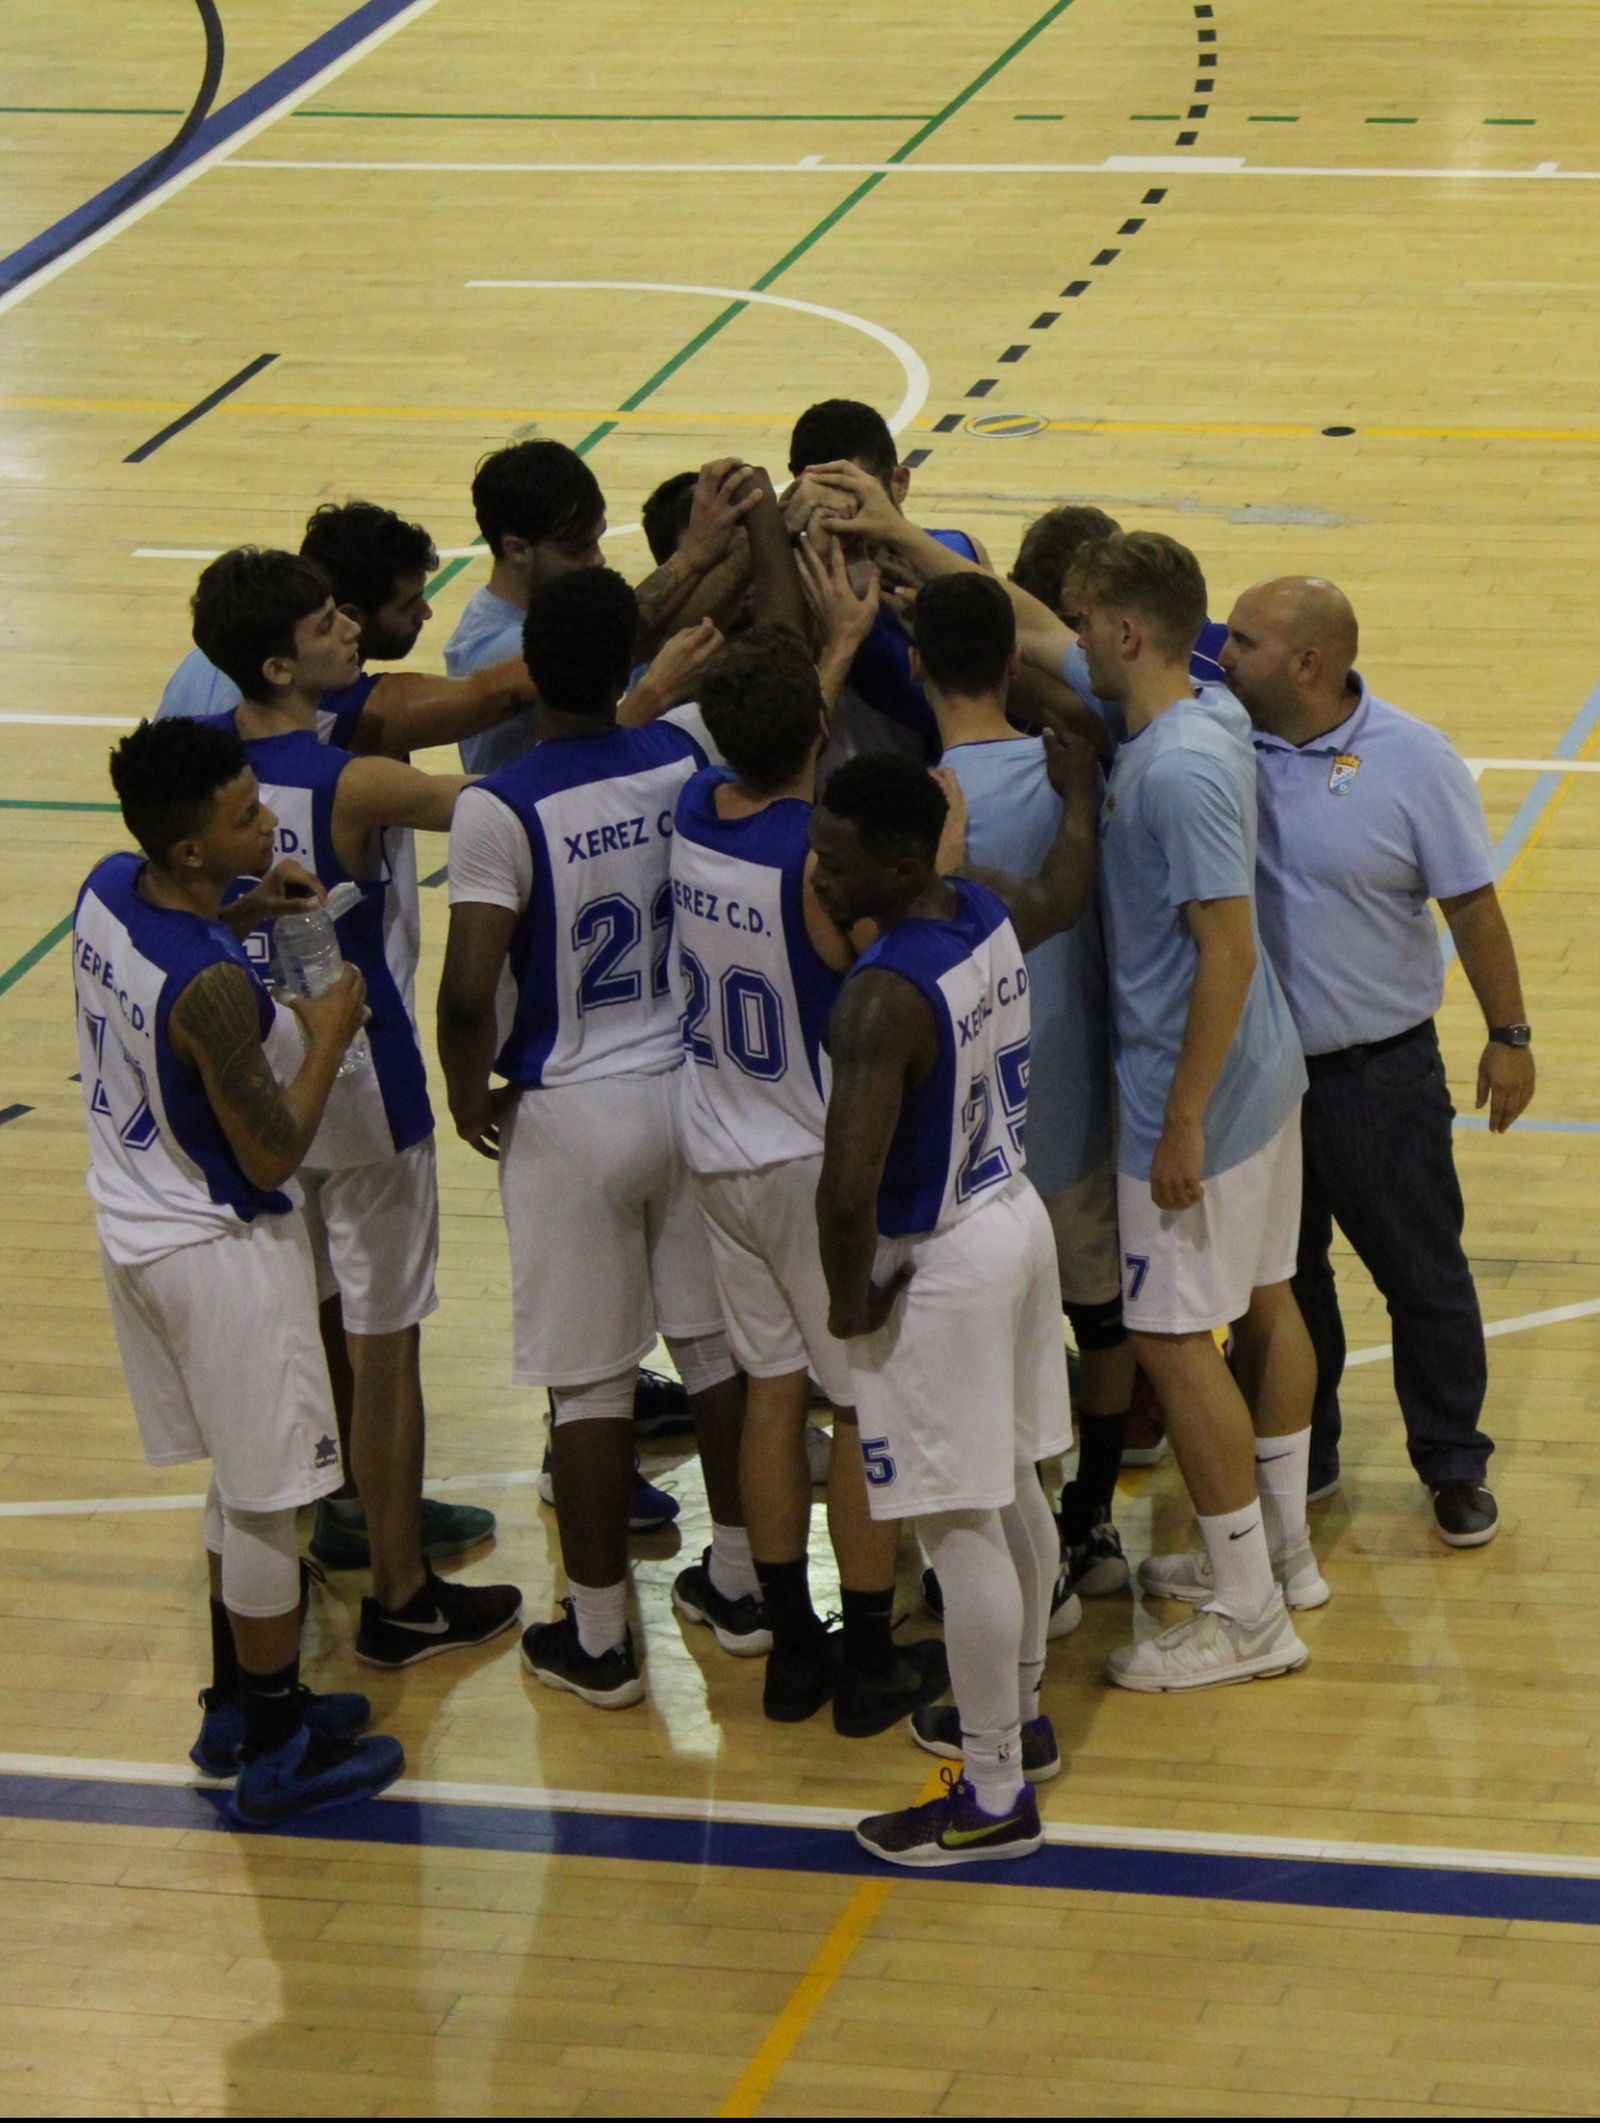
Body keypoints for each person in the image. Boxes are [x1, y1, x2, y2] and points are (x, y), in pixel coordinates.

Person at [167, 506, 523, 1571]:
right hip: (363, 1077)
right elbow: (502, 807)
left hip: (263, 1080)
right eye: (328, 625)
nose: (350, 634)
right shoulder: (355, 781)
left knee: (310, 1307)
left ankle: (328, 1516)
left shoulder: (207, 771)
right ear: (281, 659)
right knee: (387, 1345)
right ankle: (402, 1584)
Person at [76, 716, 403, 1824]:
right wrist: (323, 1031)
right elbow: (273, 1148)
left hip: (135, 1220)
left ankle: (239, 1701)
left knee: (238, 1474)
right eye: (243, 819)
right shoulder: (212, 993)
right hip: (217, 1246)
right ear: (189, 854)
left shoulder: (109, 888)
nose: (267, 821)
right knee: (273, 1503)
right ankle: (273, 1750)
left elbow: (186, 940)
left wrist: (248, 907)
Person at [437, 567, 751, 1710]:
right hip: (688, 1088)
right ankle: (742, 1581)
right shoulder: (680, 752)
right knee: (716, 1353)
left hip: (572, 1103)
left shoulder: (499, 804)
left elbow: (471, 989)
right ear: (632, 655)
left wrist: (465, 1090)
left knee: (588, 1388)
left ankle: (603, 1637)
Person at [813, 746, 1098, 1868]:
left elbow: (847, 1186)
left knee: (954, 1521)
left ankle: (988, 1791)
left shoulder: (879, 997)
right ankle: (1017, 1715)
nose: (819, 877)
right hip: (1008, 1213)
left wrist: (848, 1305)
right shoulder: (978, 907)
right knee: (1013, 1479)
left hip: (938, 1254)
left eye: (836, 862)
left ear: (894, 859)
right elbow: (1062, 893)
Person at [670, 624, 948, 1731]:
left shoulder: (693, 805)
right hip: (799, 1153)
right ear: (823, 733)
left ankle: (792, 1645)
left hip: (713, 1140)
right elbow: (872, 942)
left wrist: (810, 672)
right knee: (862, 1397)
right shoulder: (818, 863)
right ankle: (870, 1648)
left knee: (770, 1394)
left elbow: (768, 744)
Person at [1062, 531, 1324, 1692]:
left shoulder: (1173, 768)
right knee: (1266, 1298)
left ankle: (1251, 1615)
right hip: (1262, 1080)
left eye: (1082, 625)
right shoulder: (1210, 709)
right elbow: (1036, 643)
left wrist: (1177, 1120)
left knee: (1172, 1336)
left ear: (1126, 633)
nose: (1070, 643)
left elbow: (1226, 948)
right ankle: (1279, 1552)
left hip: (1200, 1096)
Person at [1221, 576, 1533, 1544]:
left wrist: (1509, 1034)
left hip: (1379, 1077)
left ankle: (1451, 1460)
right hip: (1264, 1080)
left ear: (1308, 664)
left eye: (1242, 642)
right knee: (1283, 1277)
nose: (1219, 656)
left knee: (1421, 1273)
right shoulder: (1223, 740)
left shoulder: (1413, 759)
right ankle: (1302, 1453)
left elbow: (1470, 904)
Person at [906, 571, 1134, 1606]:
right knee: (1102, 1320)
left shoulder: (912, 810)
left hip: (967, 1129)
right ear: (1012, 661)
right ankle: (1090, 1515)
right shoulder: (1074, 772)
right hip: (1076, 1097)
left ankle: (1004, 1532)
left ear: (914, 666)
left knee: (990, 1342)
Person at [444, 441, 754, 774]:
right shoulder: (501, 650)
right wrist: (699, 553)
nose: (598, 559)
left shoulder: (524, 610)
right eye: (579, 548)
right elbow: (619, 633)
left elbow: (657, 628)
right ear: (517, 550)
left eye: (597, 539)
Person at [157, 500, 537, 755]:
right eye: (407, 604)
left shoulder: (206, 658)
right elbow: (488, 697)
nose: (425, 613)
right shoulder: (321, 701)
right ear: (352, 615)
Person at [785, 399, 988, 763]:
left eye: (859, 500)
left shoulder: (957, 553)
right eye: (828, 506)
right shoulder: (793, 590)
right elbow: (781, 751)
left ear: (899, 482)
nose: (849, 521)